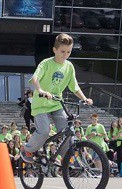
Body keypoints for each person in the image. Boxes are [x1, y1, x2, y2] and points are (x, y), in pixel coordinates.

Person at [21, 33, 93, 163]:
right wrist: (41, 90)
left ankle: (68, 160)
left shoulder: (69, 66)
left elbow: (74, 86)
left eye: (68, 52)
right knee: (44, 131)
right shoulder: (46, 63)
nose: (65, 55)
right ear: (55, 50)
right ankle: (27, 149)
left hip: (56, 104)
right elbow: (35, 78)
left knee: (67, 130)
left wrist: (85, 98)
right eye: (62, 51)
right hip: (41, 104)